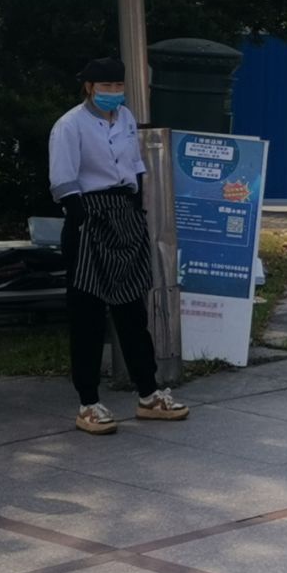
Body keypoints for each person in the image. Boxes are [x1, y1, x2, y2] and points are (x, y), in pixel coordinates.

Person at [48, 57, 189, 435]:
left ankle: (149, 393)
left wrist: (136, 210)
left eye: (117, 86)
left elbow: (135, 167)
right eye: (105, 86)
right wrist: (82, 220)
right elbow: (63, 181)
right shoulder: (69, 125)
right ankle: (88, 402)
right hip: (89, 217)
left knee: (132, 312)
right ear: (89, 88)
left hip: (125, 214)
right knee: (88, 316)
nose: (113, 93)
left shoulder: (125, 118)